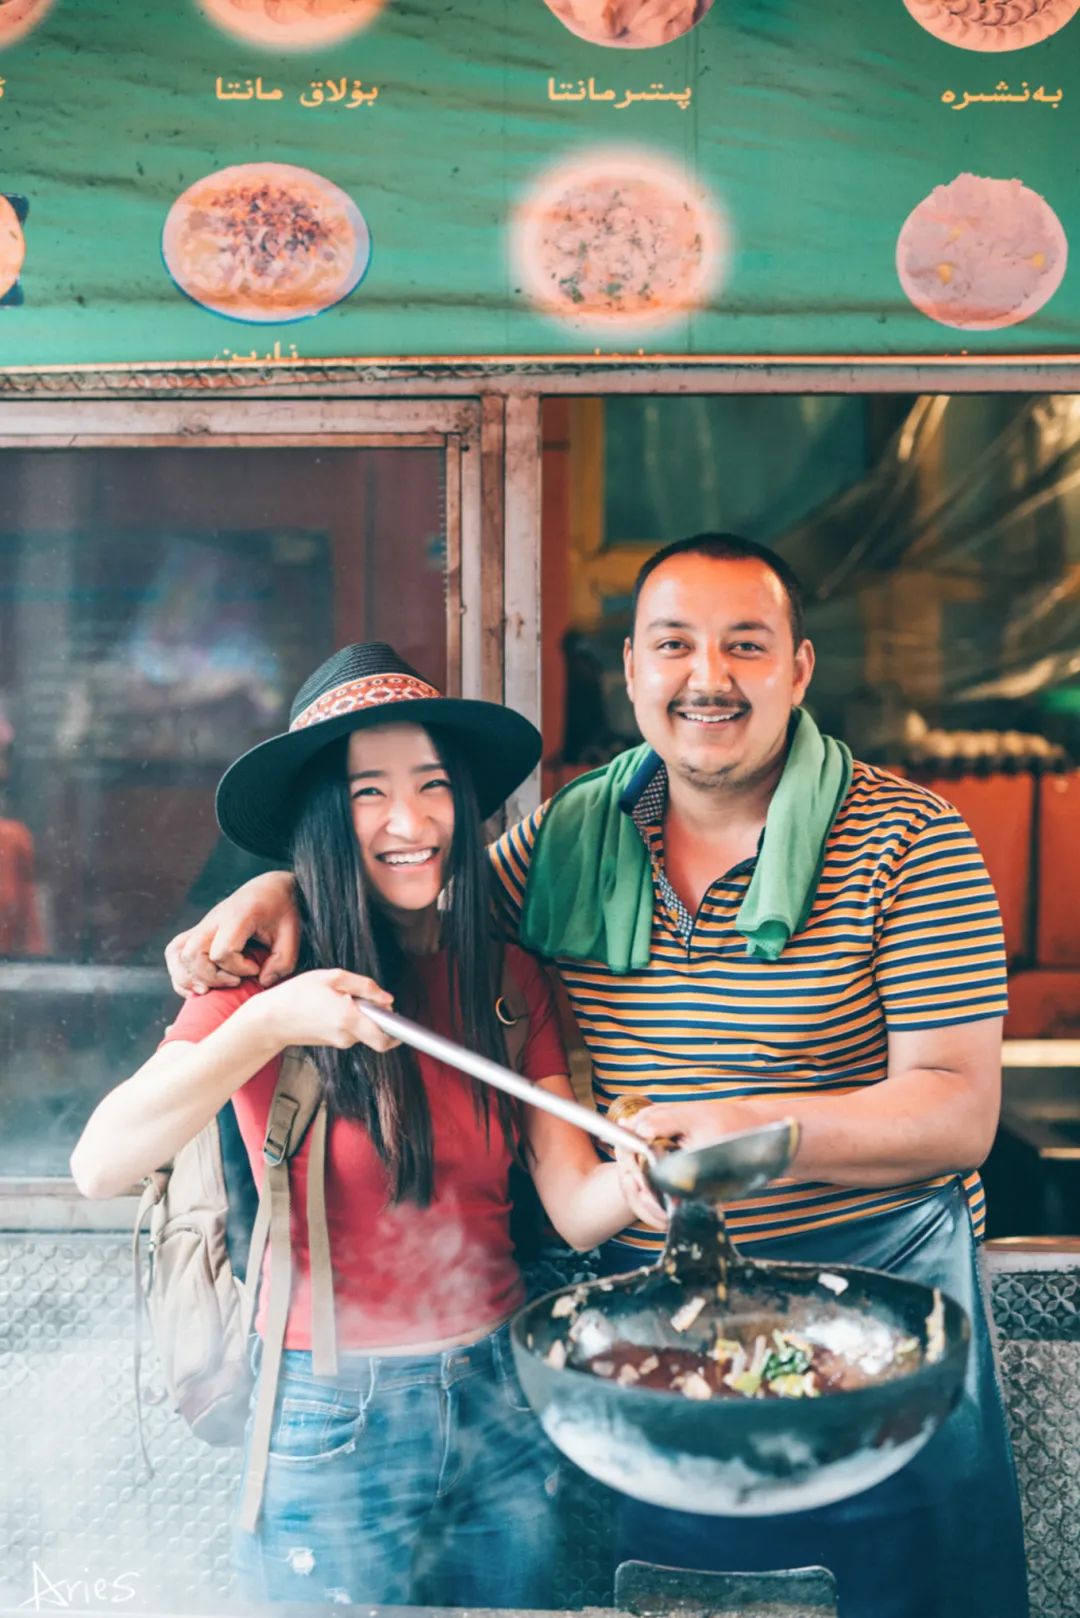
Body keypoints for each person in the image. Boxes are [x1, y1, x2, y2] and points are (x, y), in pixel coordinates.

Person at [164, 537, 1030, 1618]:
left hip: (877, 1329)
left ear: (800, 669)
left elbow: (958, 1111)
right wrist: (289, 885)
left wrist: (756, 1129)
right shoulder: (574, 834)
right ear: (631, 669)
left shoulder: (913, 840)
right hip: (649, 1331)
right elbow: (411, 897)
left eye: (744, 646)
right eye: (675, 645)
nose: (706, 677)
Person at [71, 641, 660, 1611]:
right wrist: (272, 1021)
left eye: (433, 787)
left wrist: (645, 1180)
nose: (409, 820)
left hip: (499, 1399)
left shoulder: (508, 985)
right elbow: (100, 1161)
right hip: (324, 1411)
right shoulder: (260, 982)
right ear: (324, 821)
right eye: (368, 794)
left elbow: (576, 1201)